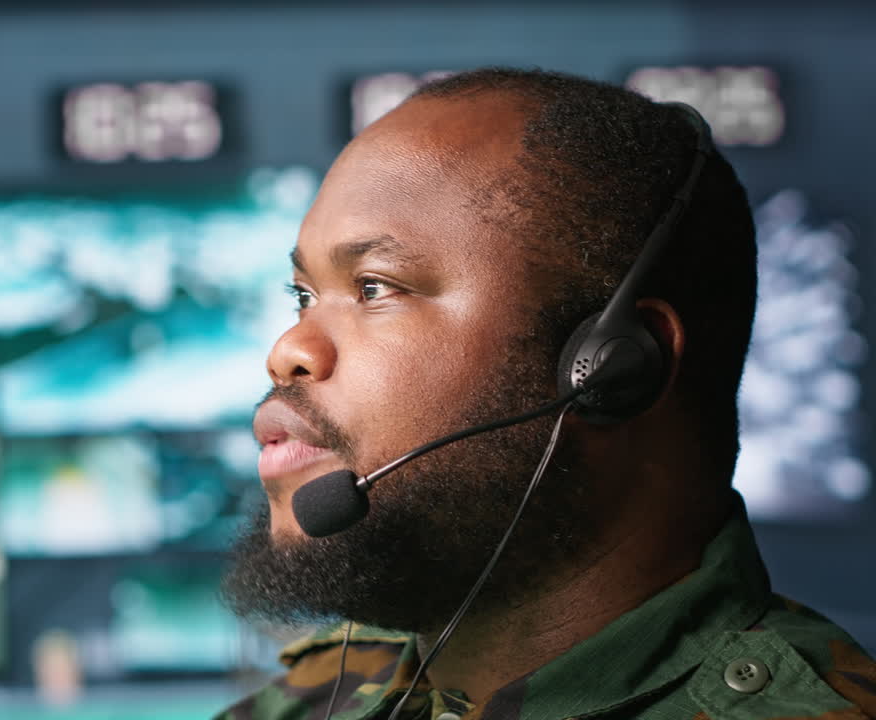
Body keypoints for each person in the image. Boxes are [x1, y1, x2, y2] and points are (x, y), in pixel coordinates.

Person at [216, 68, 876, 720]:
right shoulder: (318, 698)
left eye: (374, 287)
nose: (289, 350)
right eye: (303, 296)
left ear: (613, 367)